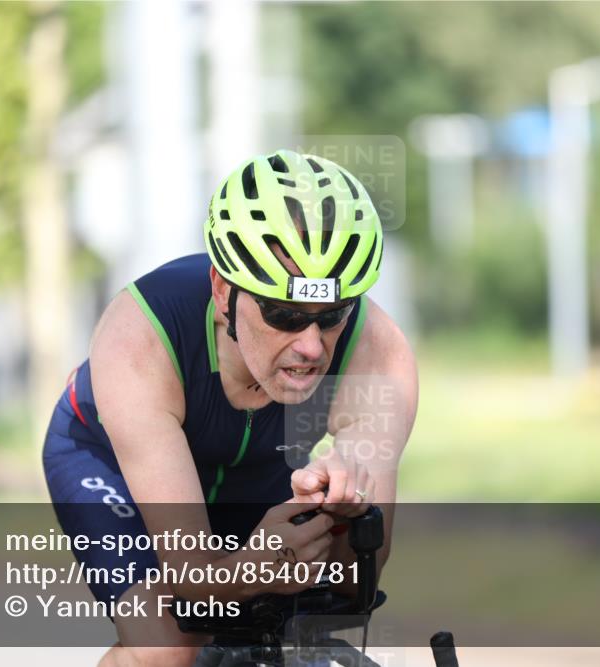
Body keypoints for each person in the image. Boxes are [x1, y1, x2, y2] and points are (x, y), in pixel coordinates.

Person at [42, 149, 418, 666]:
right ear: (224, 292)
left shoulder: (379, 352)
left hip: (256, 469)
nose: (311, 346)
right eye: (284, 314)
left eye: (332, 315)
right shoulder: (139, 336)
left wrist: (347, 514)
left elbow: (355, 586)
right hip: (107, 461)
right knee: (169, 645)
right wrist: (247, 574)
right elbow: (193, 581)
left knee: (294, 636)